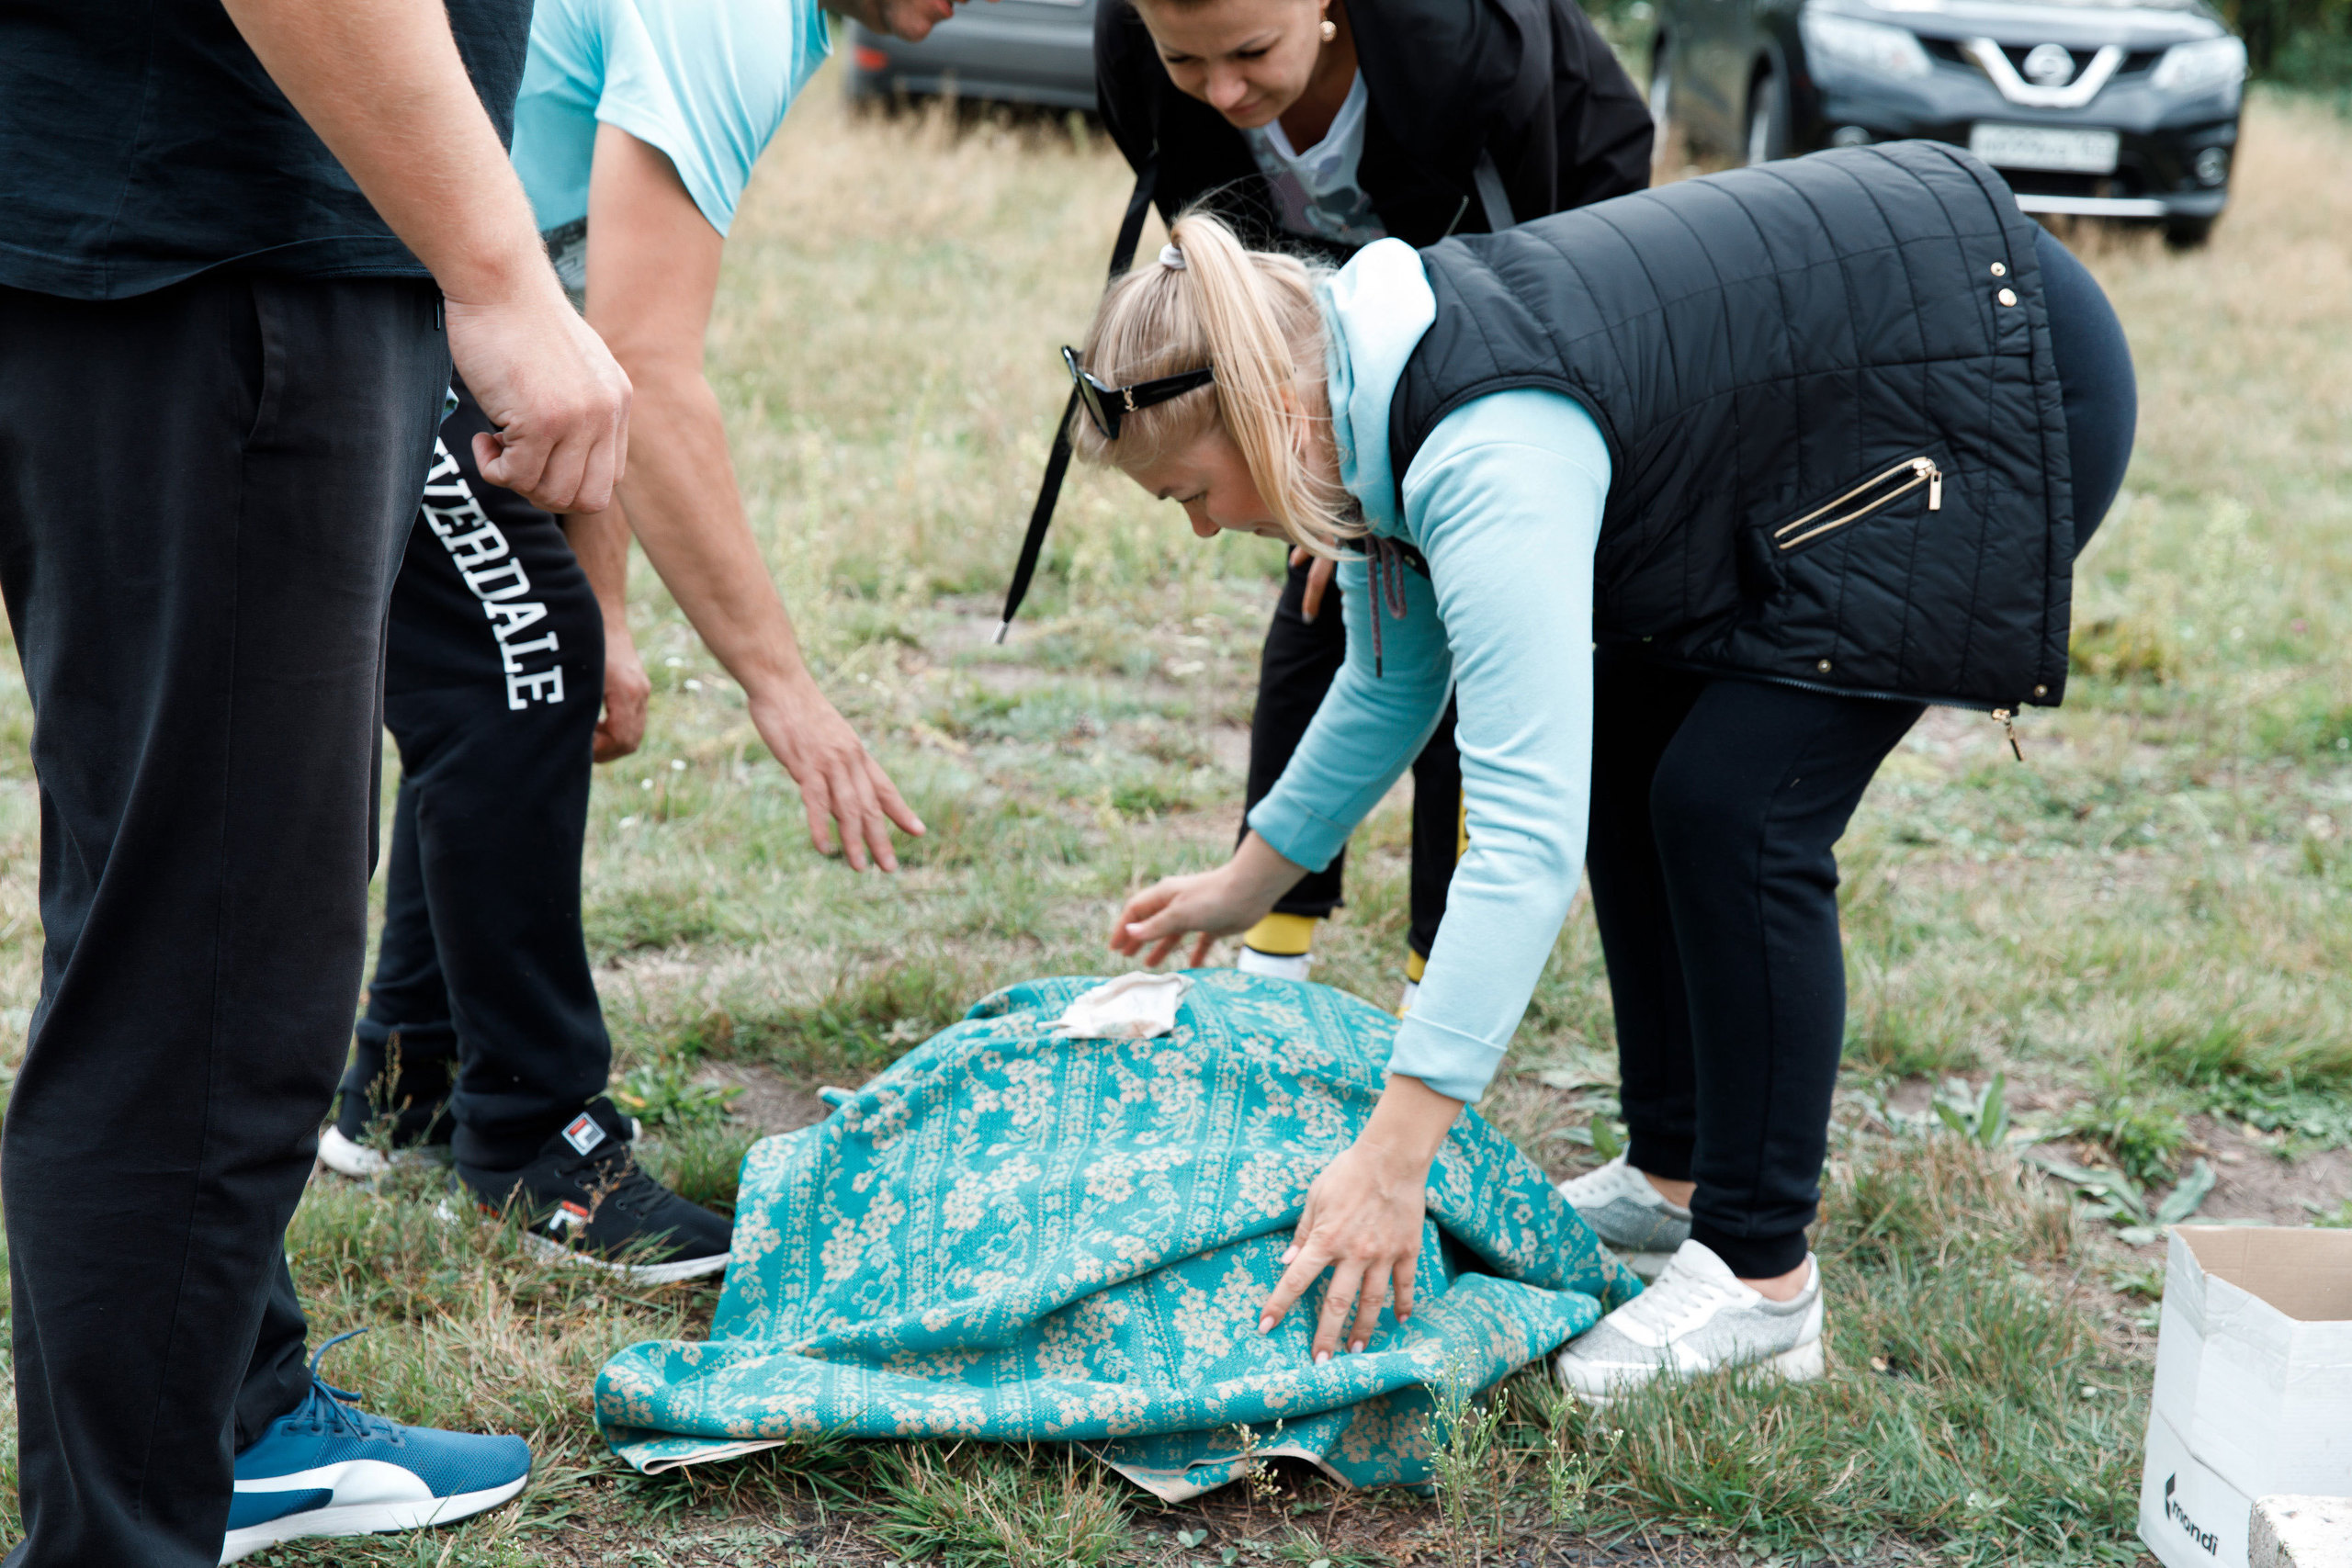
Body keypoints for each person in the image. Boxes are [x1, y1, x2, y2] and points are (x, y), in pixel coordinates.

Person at [1082, 141, 2136, 1395]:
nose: (1206, 528)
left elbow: (1519, 838)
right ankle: (1675, 1169)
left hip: (1985, 373)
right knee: (1640, 751)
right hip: (1868, 369)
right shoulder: (1354, 373)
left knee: (1736, 804)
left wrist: (1395, 1152)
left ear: (1268, 413)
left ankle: (1760, 1282)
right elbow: (1386, 679)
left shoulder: (1483, 446)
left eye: (1195, 492)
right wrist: (1248, 882)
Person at [0, 0, 634, 1561]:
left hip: (201, 237)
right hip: (223, 254)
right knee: (211, 984)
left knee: (166, 914)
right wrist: (499, 270)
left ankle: (236, 1412)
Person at [321, 0, 951, 1281]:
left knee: (525, 663)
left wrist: (603, 611)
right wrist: (784, 688)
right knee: (514, 667)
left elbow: (593, 346)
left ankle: (407, 1084)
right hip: (365, 289)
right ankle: (538, 1143)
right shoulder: (729, 18)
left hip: (425, 304)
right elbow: (651, 374)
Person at [1094, 0, 1652, 1006]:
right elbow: (1211, 273)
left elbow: (1537, 276)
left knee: (1467, 642)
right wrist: (1317, 467)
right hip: (1308, 348)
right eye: (1187, 62)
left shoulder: (1463, 55)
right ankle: (1269, 952)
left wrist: (1386, 460)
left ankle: (1435, 975)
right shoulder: (1140, 57)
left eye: (1252, 54)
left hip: (1495, 315)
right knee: (1322, 613)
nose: (1221, 93)